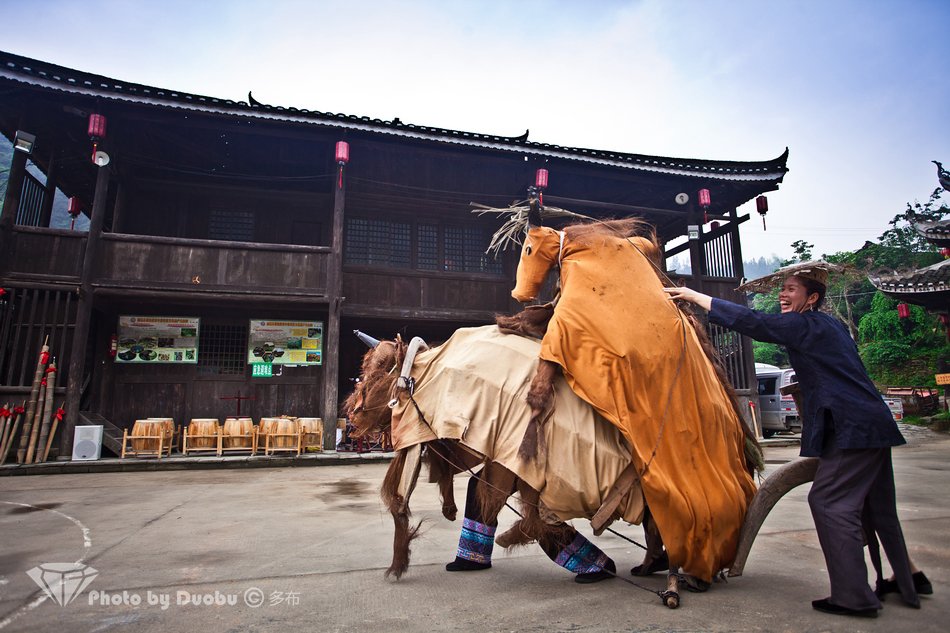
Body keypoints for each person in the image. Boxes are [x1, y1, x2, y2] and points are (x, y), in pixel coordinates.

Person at [664, 261, 930, 618]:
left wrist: (695, 296)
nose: (783, 295)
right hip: (870, 423)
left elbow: (755, 322)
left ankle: (854, 597)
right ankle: (909, 578)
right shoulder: (830, 326)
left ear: (812, 298)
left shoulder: (805, 324)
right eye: (783, 288)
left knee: (829, 503)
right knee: (878, 505)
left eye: (791, 289)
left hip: (850, 427)